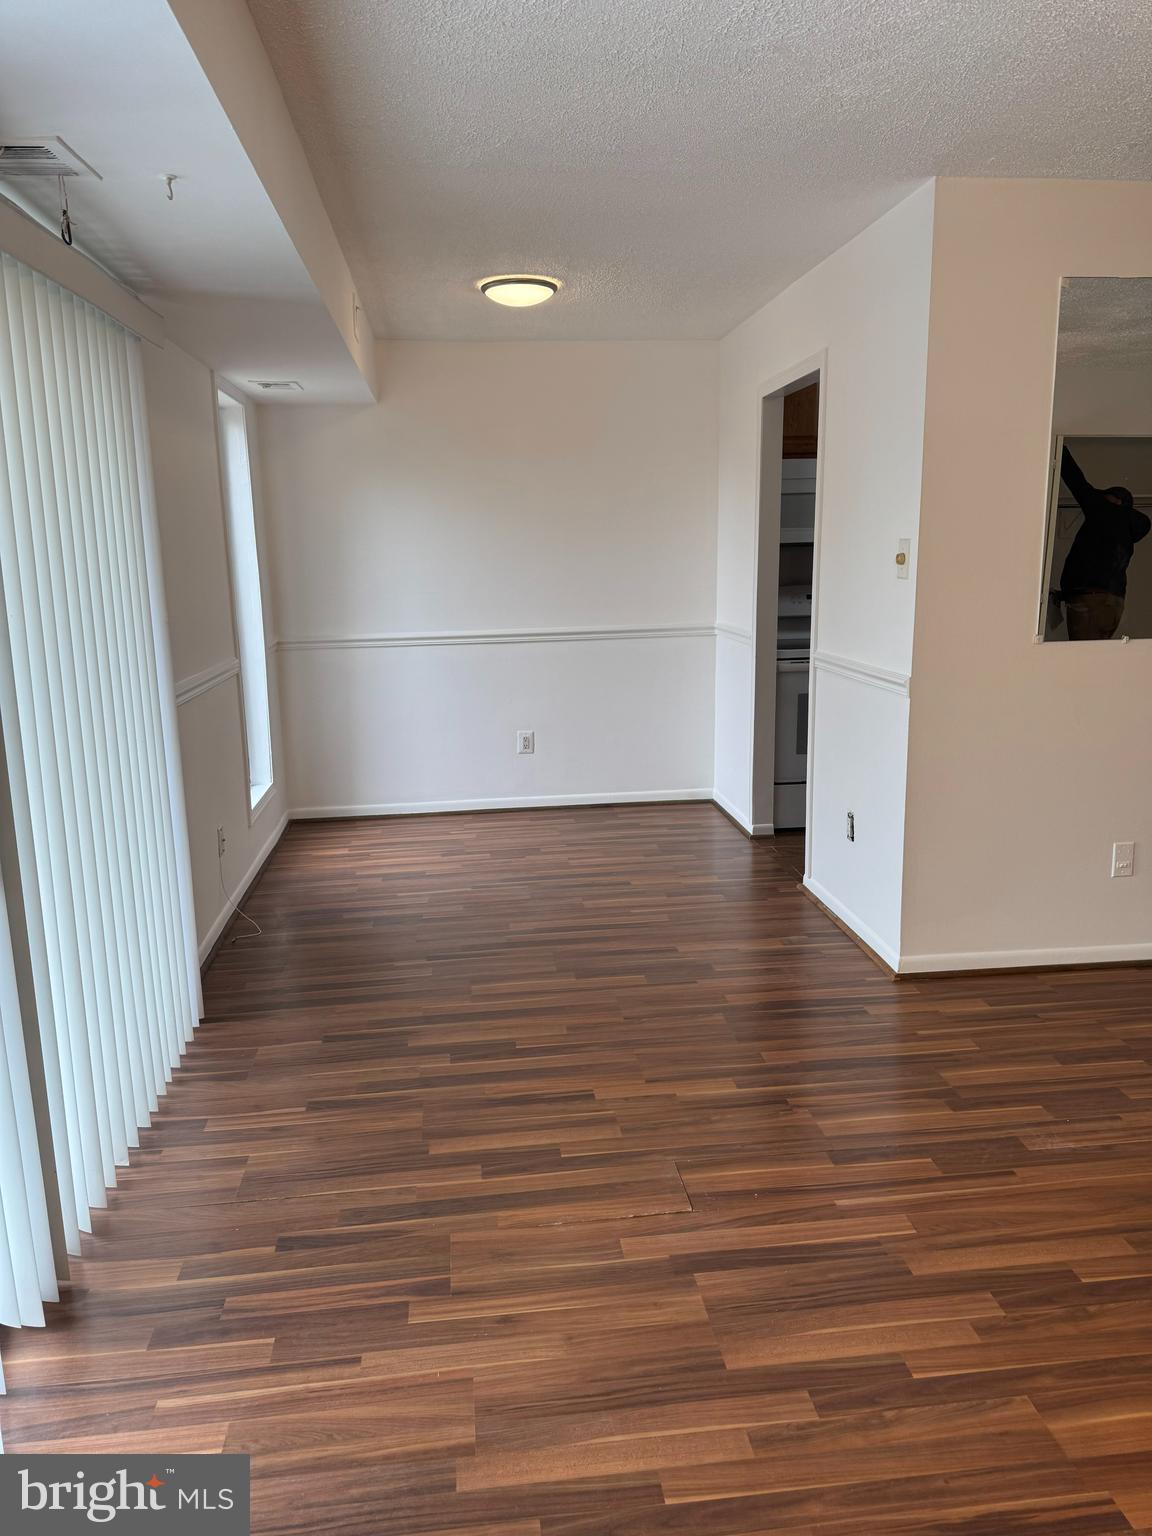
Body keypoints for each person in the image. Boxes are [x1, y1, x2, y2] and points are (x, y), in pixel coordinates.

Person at [1058, 445, 1150, 640]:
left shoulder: (1102, 510)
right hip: (1114, 602)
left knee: (1081, 656)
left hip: (1090, 599)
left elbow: (1077, 481)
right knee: (1096, 655)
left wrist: (1057, 447)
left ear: (1115, 501)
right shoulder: (1127, 531)